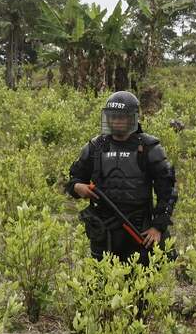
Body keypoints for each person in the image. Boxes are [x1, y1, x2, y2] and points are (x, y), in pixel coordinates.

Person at [65, 91, 177, 265]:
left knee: (140, 285)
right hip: (103, 229)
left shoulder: (149, 148)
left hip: (139, 228)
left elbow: (168, 191)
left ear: (133, 118)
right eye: (112, 116)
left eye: (122, 117)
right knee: (100, 285)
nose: (116, 121)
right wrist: (79, 187)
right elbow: (74, 180)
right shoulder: (95, 147)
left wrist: (158, 227)